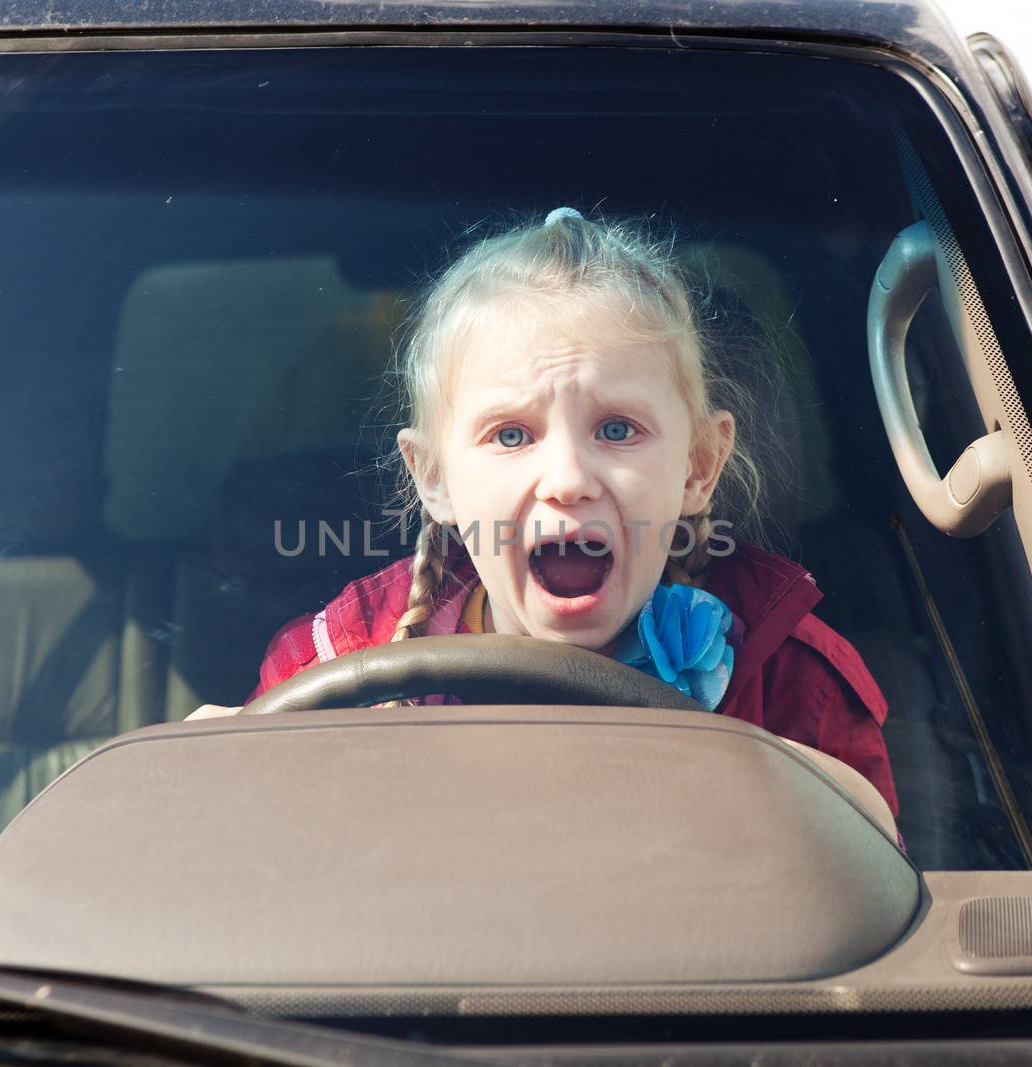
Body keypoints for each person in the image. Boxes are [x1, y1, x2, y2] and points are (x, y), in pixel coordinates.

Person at [243, 208, 897, 819]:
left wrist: (791, 787)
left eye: (616, 430)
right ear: (435, 480)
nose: (567, 480)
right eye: (509, 435)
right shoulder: (329, 674)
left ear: (698, 466)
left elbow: (878, 903)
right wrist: (217, 779)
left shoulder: (792, 686)